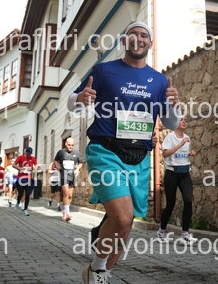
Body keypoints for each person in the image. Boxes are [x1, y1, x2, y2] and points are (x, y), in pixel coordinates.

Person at [68, 21, 181, 283]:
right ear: (124, 41)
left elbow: (171, 122)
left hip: (139, 158)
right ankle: (97, 267)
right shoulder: (104, 70)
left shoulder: (159, 80)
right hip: (106, 151)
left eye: (144, 35)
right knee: (122, 216)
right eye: (132, 34)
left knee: (126, 223)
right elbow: (74, 103)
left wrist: (174, 105)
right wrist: (80, 99)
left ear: (150, 43)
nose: (138, 39)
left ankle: (101, 273)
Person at [157, 117, 197, 243]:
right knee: (171, 203)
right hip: (172, 174)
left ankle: (185, 233)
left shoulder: (187, 137)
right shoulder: (170, 137)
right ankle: (161, 231)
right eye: (180, 120)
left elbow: (182, 154)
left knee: (188, 201)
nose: (184, 122)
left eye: (185, 120)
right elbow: (165, 154)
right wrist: (181, 144)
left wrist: (190, 153)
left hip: (185, 173)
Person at [54, 137, 82, 221]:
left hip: (72, 175)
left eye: (72, 145)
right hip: (64, 175)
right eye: (69, 145)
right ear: (66, 144)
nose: (70, 147)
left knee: (70, 195)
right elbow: (56, 160)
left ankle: (64, 211)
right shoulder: (61, 152)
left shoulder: (77, 153)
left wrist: (77, 169)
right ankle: (67, 213)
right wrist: (57, 166)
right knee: (66, 193)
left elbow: (80, 163)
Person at [12, 147, 37, 216]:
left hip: (29, 178)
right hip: (21, 178)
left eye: (30, 153)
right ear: (25, 152)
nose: (29, 155)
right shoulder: (20, 157)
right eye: (28, 153)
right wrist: (19, 168)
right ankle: (17, 203)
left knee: (27, 194)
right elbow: (13, 165)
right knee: (20, 193)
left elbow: (35, 166)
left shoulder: (33, 158)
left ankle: (25, 209)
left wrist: (33, 168)